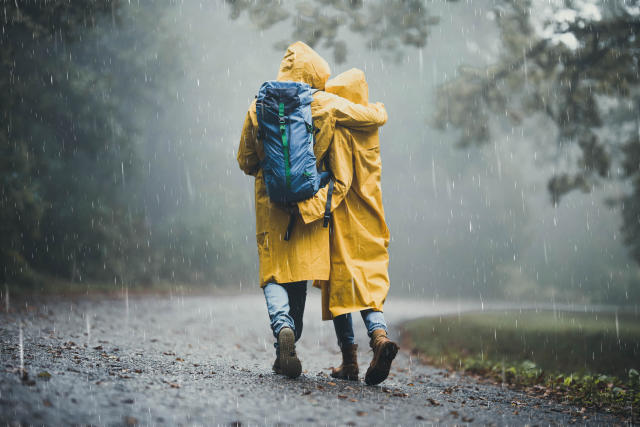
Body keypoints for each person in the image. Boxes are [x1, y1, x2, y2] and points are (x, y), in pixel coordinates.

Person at [237, 42, 388, 378]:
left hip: (271, 206)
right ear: (315, 75)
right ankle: (295, 336)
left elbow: (245, 160)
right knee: (299, 279)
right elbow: (365, 117)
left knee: (274, 276)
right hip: (308, 206)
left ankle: (282, 331)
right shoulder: (323, 103)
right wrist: (380, 110)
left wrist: (269, 173)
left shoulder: (258, 105)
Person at [297, 68, 397, 385]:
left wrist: (308, 208)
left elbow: (341, 181)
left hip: (343, 218)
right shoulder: (370, 127)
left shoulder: (341, 128)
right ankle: (379, 338)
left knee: (339, 289)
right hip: (372, 215)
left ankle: (349, 360)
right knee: (368, 286)